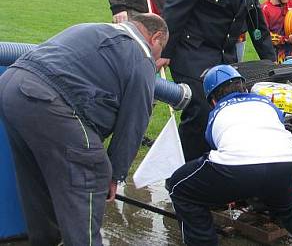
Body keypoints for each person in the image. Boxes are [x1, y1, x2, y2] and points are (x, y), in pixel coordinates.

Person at [0, 14, 168, 246]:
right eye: (161, 49)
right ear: (155, 37)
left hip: (11, 87)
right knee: (93, 170)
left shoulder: (94, 29)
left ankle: (46, 240)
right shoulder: (141, 55)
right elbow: (133, 125)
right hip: (46, 98)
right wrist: (115, 175)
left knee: (36, 179)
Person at [166, 65, 292, 246]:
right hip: (284, 164)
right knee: (291, 207)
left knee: (178, 187)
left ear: (213, 100)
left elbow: (215, 145)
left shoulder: (216, 112)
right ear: (244, 87)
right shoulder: (266, 103)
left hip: (238, 168)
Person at [161, 0, 276, 162]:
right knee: (202, 111)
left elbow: (255, 20)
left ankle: (216, 167)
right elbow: (175, 11)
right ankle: (186, 172)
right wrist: (163, 52)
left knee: (232, 111)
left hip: (224, 57)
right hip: (192, 53)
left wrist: (271, 60)